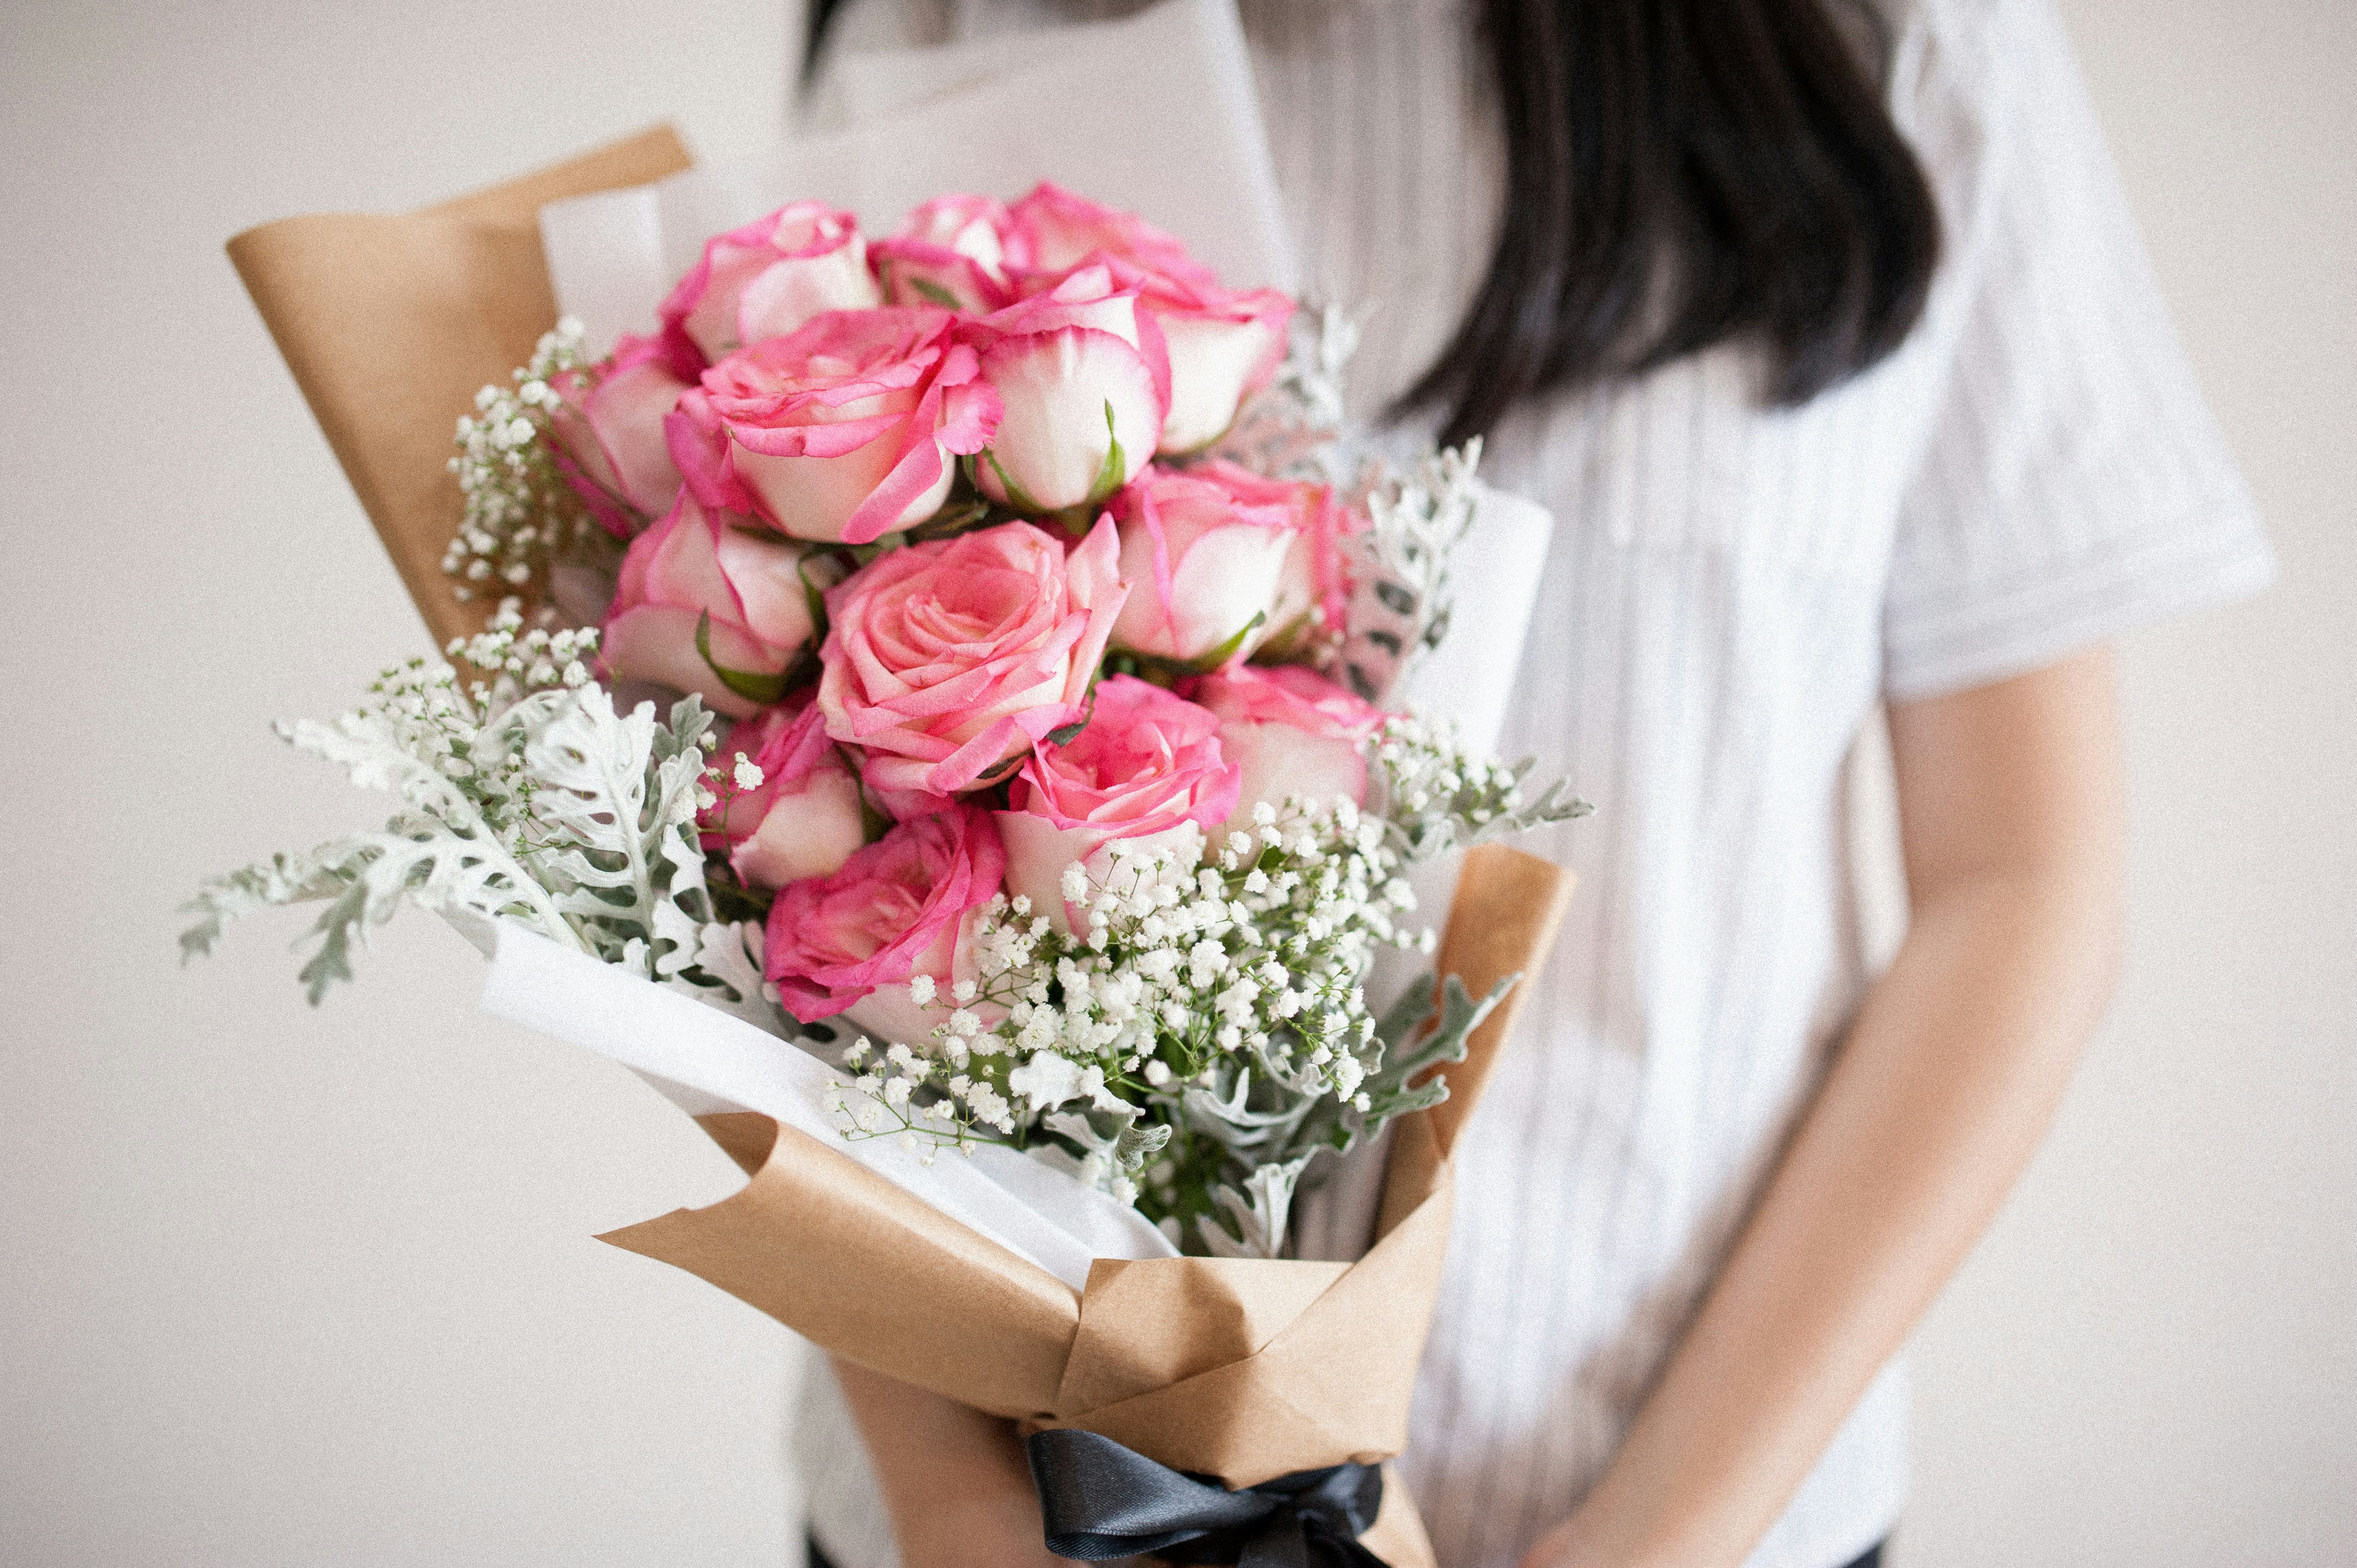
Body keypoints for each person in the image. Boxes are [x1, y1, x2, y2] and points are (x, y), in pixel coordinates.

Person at [791, 2, 2277, 1566]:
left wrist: (1662, 1538)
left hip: (1705, 1490)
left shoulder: (1900, 43)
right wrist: (959, 1508)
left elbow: (2018, 881)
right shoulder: (945, 18)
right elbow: (800, 866)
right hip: (1031, 1500)